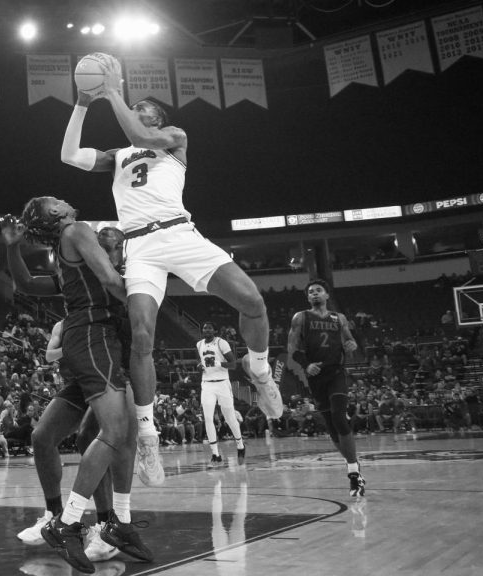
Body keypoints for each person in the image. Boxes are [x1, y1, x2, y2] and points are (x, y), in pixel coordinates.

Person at [60, 71, 283, 483]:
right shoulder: (118, 155)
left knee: (253, 301)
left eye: (141, 107)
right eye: (132, 106)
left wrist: (111, 93)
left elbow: (143, 138)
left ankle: (262, 371)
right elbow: (69, 155)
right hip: (140, 246)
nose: (134, 110)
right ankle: (148, 436)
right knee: (142, 335)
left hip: (179, 233)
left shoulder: (174, 138)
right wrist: (82, 104)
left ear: (157, 118)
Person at [13, 197, 153, 574]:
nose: (63, 198)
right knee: (116, 432)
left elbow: (32, 281)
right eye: (53, 201)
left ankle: (111, 522)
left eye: (112, 238)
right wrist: (146, 309)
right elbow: (110, 281)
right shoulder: (77, 233)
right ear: (54, 215)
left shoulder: (72, 249)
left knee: (89, 433)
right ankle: (68, 520)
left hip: (95, 339)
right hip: (94, 335)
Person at [287, 279, 364, 496]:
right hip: (315, 375)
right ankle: (355, 465)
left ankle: (353, 474)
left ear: (327, 295)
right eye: (310, 292)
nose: (314, 294)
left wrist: (352, 345)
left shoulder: (339, 318)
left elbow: (350, 341)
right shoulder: (301, 317)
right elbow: (291, 346)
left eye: (318, 291)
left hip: (336, 372)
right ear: (307, 297)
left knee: (339, 417)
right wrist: (306, 365)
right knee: (331, 427)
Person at [196, 322, 246, 466]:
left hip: (223, 383)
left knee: (230, 418)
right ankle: (215, 454)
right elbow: (200, 363)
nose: (207, 330)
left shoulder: (221, 343)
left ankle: (241, 446)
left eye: (210, 328)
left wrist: (219, 364)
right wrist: (199, 366)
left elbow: (233, 364)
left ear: (215, 330)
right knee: (208, 418)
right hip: (207, 384)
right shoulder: (199, 344)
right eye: (205, 328)